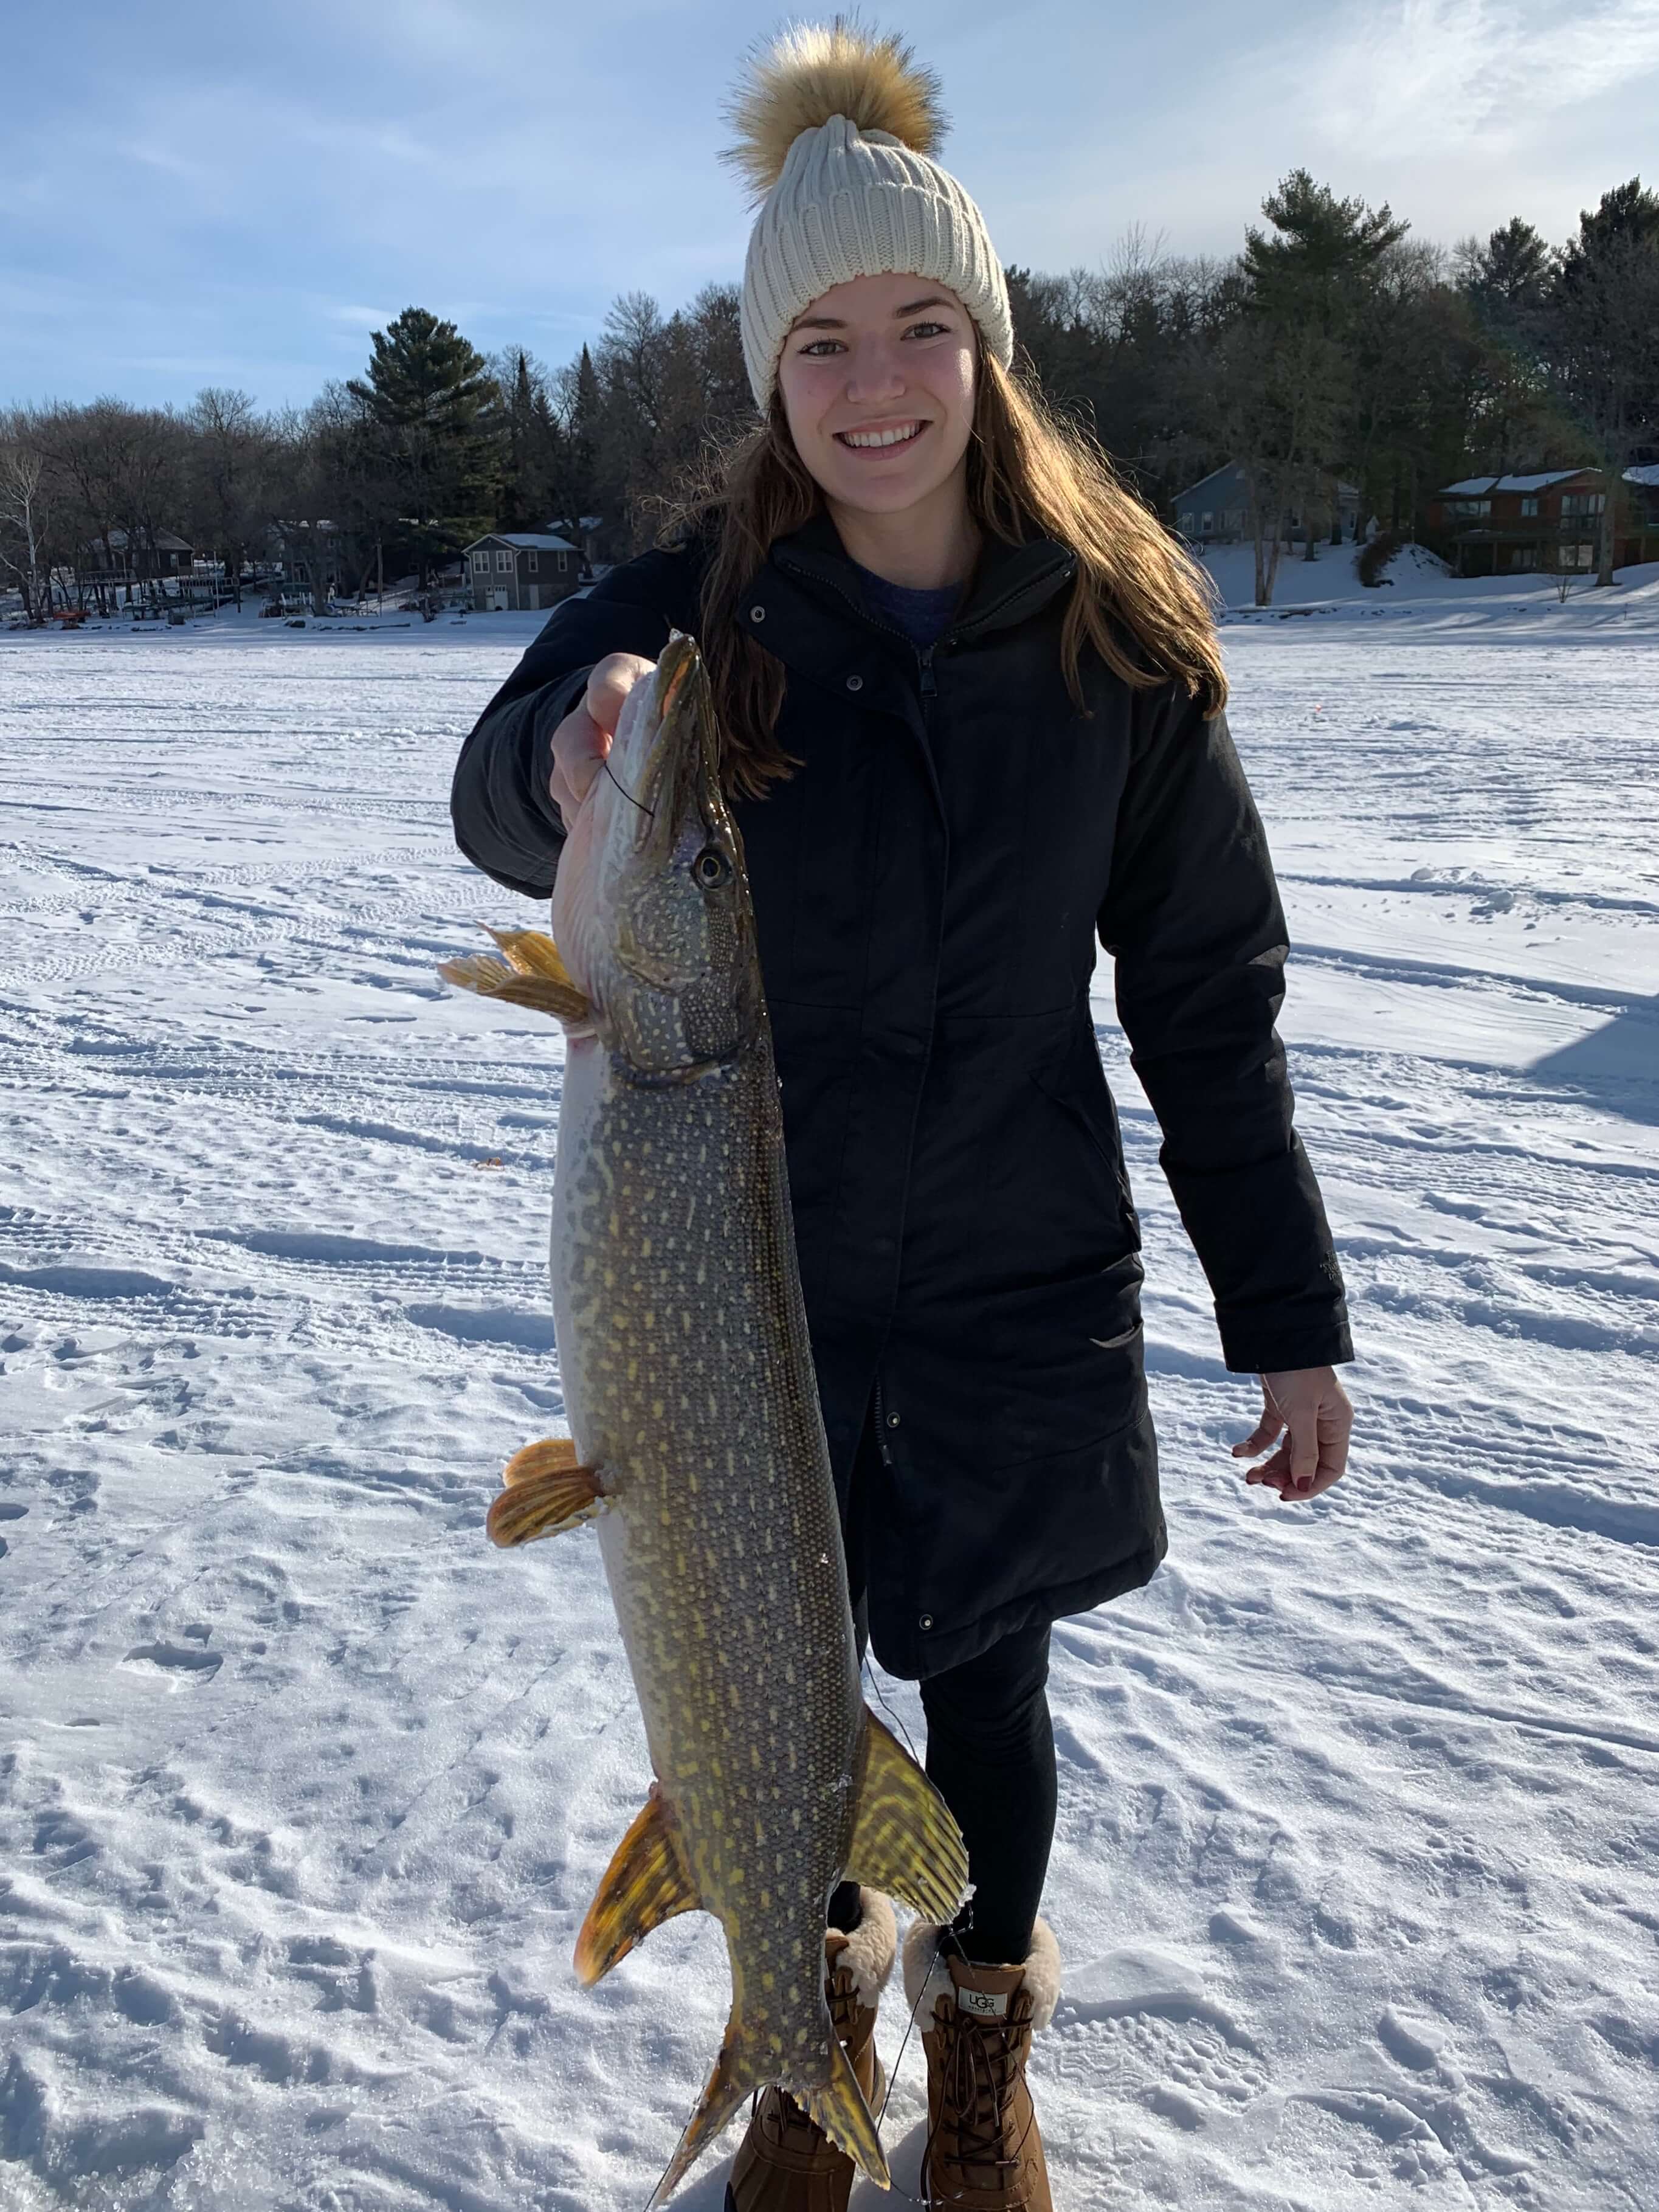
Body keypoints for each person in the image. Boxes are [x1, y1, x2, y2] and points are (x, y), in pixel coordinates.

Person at [450, 24, 1354, 2211]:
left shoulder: (1119, 640)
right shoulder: (702, 611)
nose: (875, 384)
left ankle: (979, 2036)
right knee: (767, 1687)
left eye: (920, 327)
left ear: (990, 342)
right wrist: (562, 770)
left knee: (987, 1687)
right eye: (824, 342)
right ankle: (801, 2029)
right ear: (773, 374)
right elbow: (494, 792)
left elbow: (1204, 1003)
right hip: (745, 1300)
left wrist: (1286, 1313)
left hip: (1013, 1276)